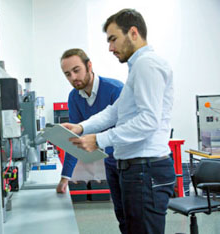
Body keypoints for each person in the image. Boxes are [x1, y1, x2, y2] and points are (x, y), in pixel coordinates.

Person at [63, 9, 176, 234]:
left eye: (113, 39)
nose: (110, 48)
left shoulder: (147, 65)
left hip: (145, 168)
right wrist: (82, 127)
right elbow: (114, 111)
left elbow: (148, 121)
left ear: (133, 33)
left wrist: (100, 139)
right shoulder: (137, 68)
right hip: (136, 169)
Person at [56, 48, 126, 233]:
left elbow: (125, 131)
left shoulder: (115, 90)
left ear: (89, 66)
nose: (73, 77)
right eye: (67, 74)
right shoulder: (74, 97)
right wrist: (66, 178)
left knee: (134, 215)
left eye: (77, 70)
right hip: (110, 163)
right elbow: (74, 139)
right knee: (121, 214)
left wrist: (97, 140)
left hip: (129, 162)